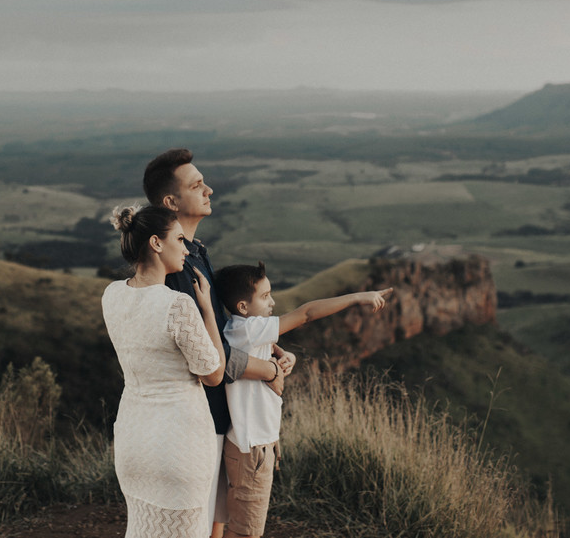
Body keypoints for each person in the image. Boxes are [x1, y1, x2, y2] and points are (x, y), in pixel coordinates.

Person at [143, 149, 296, 538]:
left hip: (219, 415)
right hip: (200, 415)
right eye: (197, 185)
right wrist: (268, 371)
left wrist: (272, 353)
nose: (209, 189)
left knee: (215, 518)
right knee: (201, 522)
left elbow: (227, 329)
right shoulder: (178, 270)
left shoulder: (195, 254)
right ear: (171, 203)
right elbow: (211, 357)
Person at [213, 261, 393, 538]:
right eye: (265, 296)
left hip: (249, 445)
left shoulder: (237, 329)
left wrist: (288, 356)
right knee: (245, 530)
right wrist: (359, 297)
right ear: (243, 307)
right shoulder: (251, 330)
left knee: (240, 523)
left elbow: (269, 348)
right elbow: (307, 313)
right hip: (253, 449)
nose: (272, 302)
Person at [102, 204, 228, 538]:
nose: (187, 249)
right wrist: (208, 310)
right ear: (157, 243)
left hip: (132, 440)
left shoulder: (111, 295)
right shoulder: (177, 304)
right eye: (180, 239)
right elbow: (214, 374)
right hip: (178, 445)